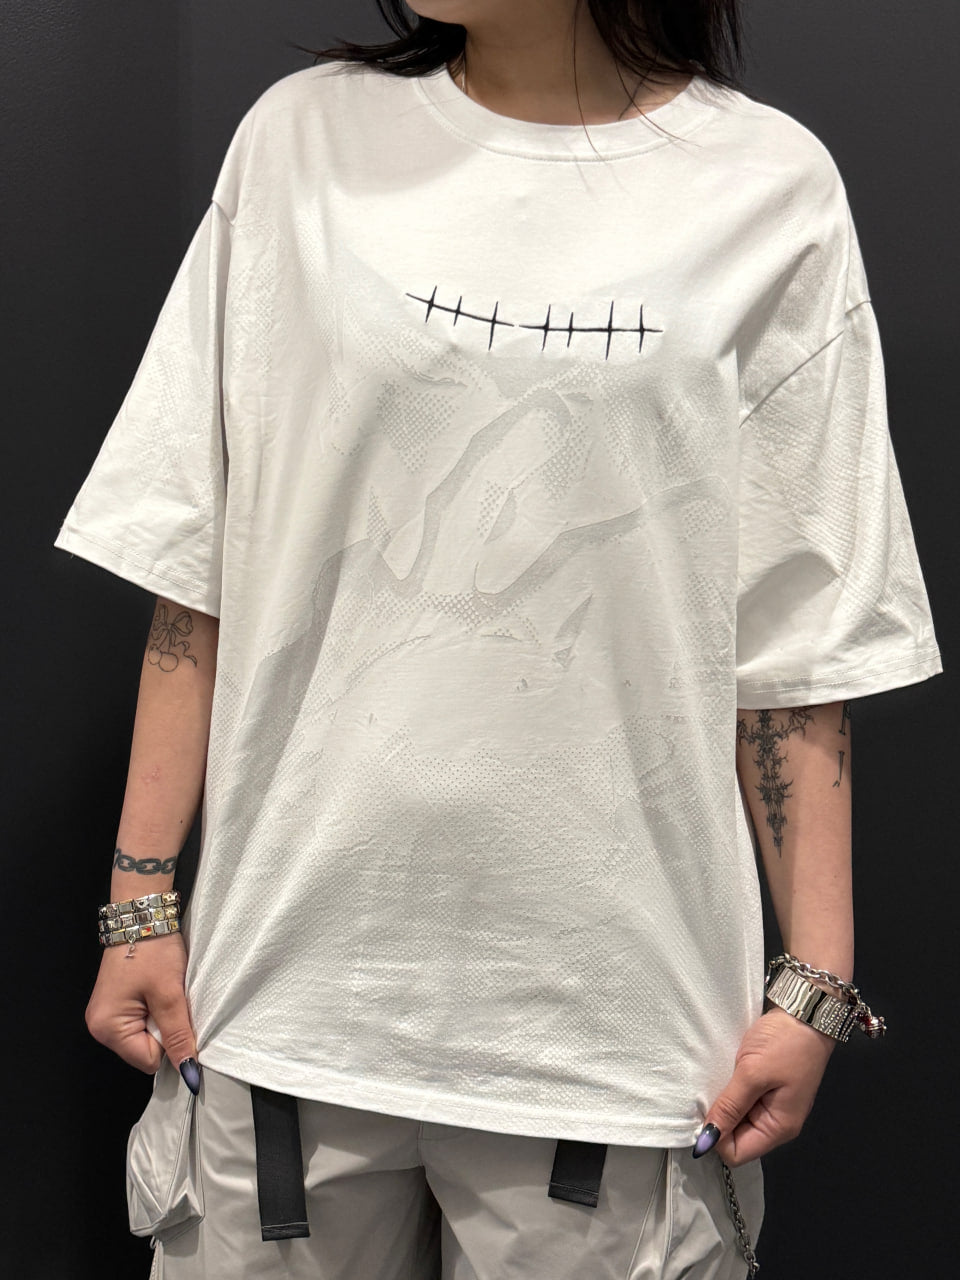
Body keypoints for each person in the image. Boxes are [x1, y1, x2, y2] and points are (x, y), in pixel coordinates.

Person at [54, 2, 942, 1277]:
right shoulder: (302, 145)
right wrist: (138, 897)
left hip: (615, 1038)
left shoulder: (769, 187)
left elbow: (798, 643)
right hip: (285, 1001)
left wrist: (816, 980)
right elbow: (200, 555)